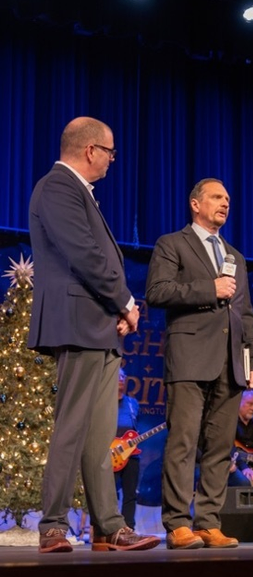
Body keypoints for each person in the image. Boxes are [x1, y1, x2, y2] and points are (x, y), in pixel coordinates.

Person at [28, 116, 160, 553]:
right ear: (90, 151)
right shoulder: (59, 186)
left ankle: (109, 524)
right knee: (72, 425)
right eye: (110, 152)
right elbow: (83, 253)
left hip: (99, 325)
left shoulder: (79, 192)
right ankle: (53, 525)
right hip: (78, 321)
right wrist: (124, 301)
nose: (112, 160)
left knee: (99, 433)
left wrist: (116, 311)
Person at [145, 177, 253, 550]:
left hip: (231, 364)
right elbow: (157, 291)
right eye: (216, 197)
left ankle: (208, 522)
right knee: (183, 443)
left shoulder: (235, 257)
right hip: (190, 359)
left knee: (219, 448)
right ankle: (178, 523)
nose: (224, 203)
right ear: (196, 204)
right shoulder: (172, 244)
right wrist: (208, 289)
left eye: (227, 199)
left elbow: (245, 313)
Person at [114, 368, 142, 530]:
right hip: (111, 455)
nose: (121, 379)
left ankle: (128, 527)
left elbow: (134, 427)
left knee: (130, 494)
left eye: (123, 376)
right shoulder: (104, 401)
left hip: (131, 455)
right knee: (110, 493)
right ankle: (110, 527)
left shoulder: (132, 404)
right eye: (117, 376)